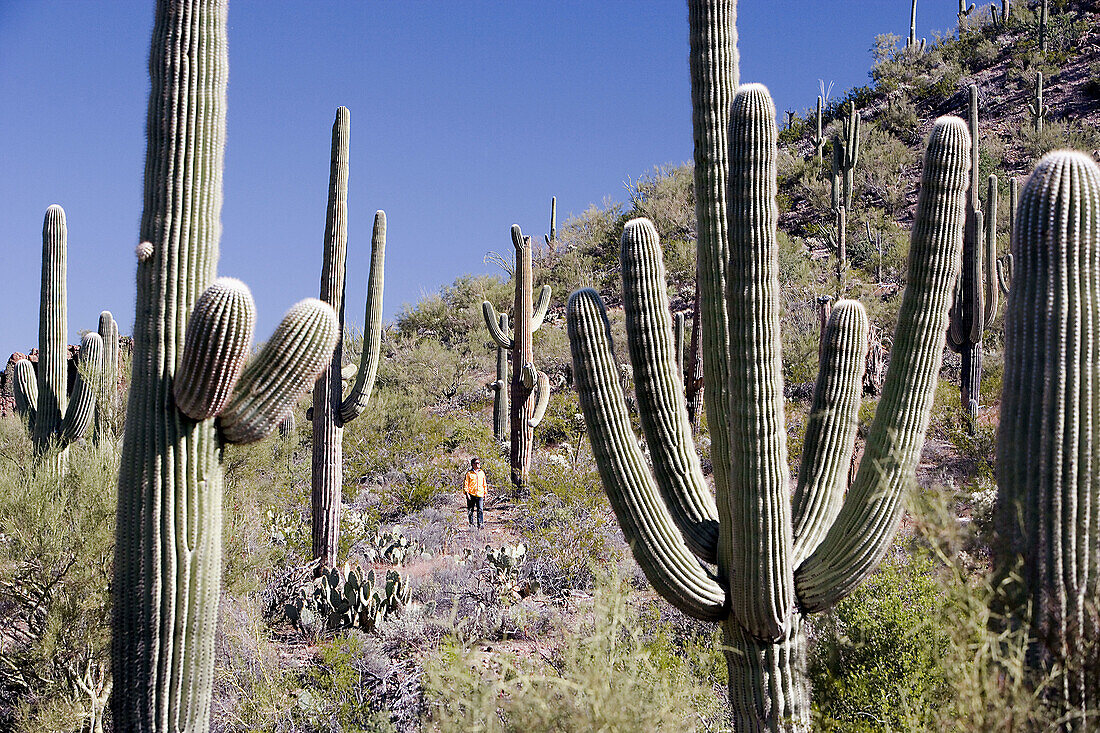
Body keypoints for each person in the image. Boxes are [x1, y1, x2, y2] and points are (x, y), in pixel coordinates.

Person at [463, 457, 487, 530]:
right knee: (470, 510)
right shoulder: (469, 473)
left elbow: (484, 483)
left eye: (479, 463)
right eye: (476, 463)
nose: (478, 465)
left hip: (480, 494)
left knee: (480, 509)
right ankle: (471, 524)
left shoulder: (481, 473)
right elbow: (466, 484)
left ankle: (480, 524)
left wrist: (485, 493)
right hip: (471, 494)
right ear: (473, 464)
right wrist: (467, 493)